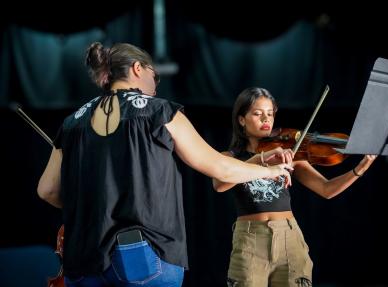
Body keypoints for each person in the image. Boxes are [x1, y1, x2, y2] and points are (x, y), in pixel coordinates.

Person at [37, 43, 292, 287]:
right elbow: (220, 167)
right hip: (141, 255)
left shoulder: (72, 122)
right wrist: (268, 171)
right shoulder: (159, 111)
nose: (156, 87)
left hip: (82, 258)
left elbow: (47, 190)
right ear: (138, 69)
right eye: (154, 77)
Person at [212, 87, 377, 287]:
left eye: (270, 114)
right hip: (250, 239)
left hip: (289, 237)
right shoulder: (229, 158)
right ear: (241, 119)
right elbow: (220, 184)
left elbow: (326, 189)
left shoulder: (287, 154)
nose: (266, 119)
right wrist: (259, 159)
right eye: (257, 113)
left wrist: (359, 169)